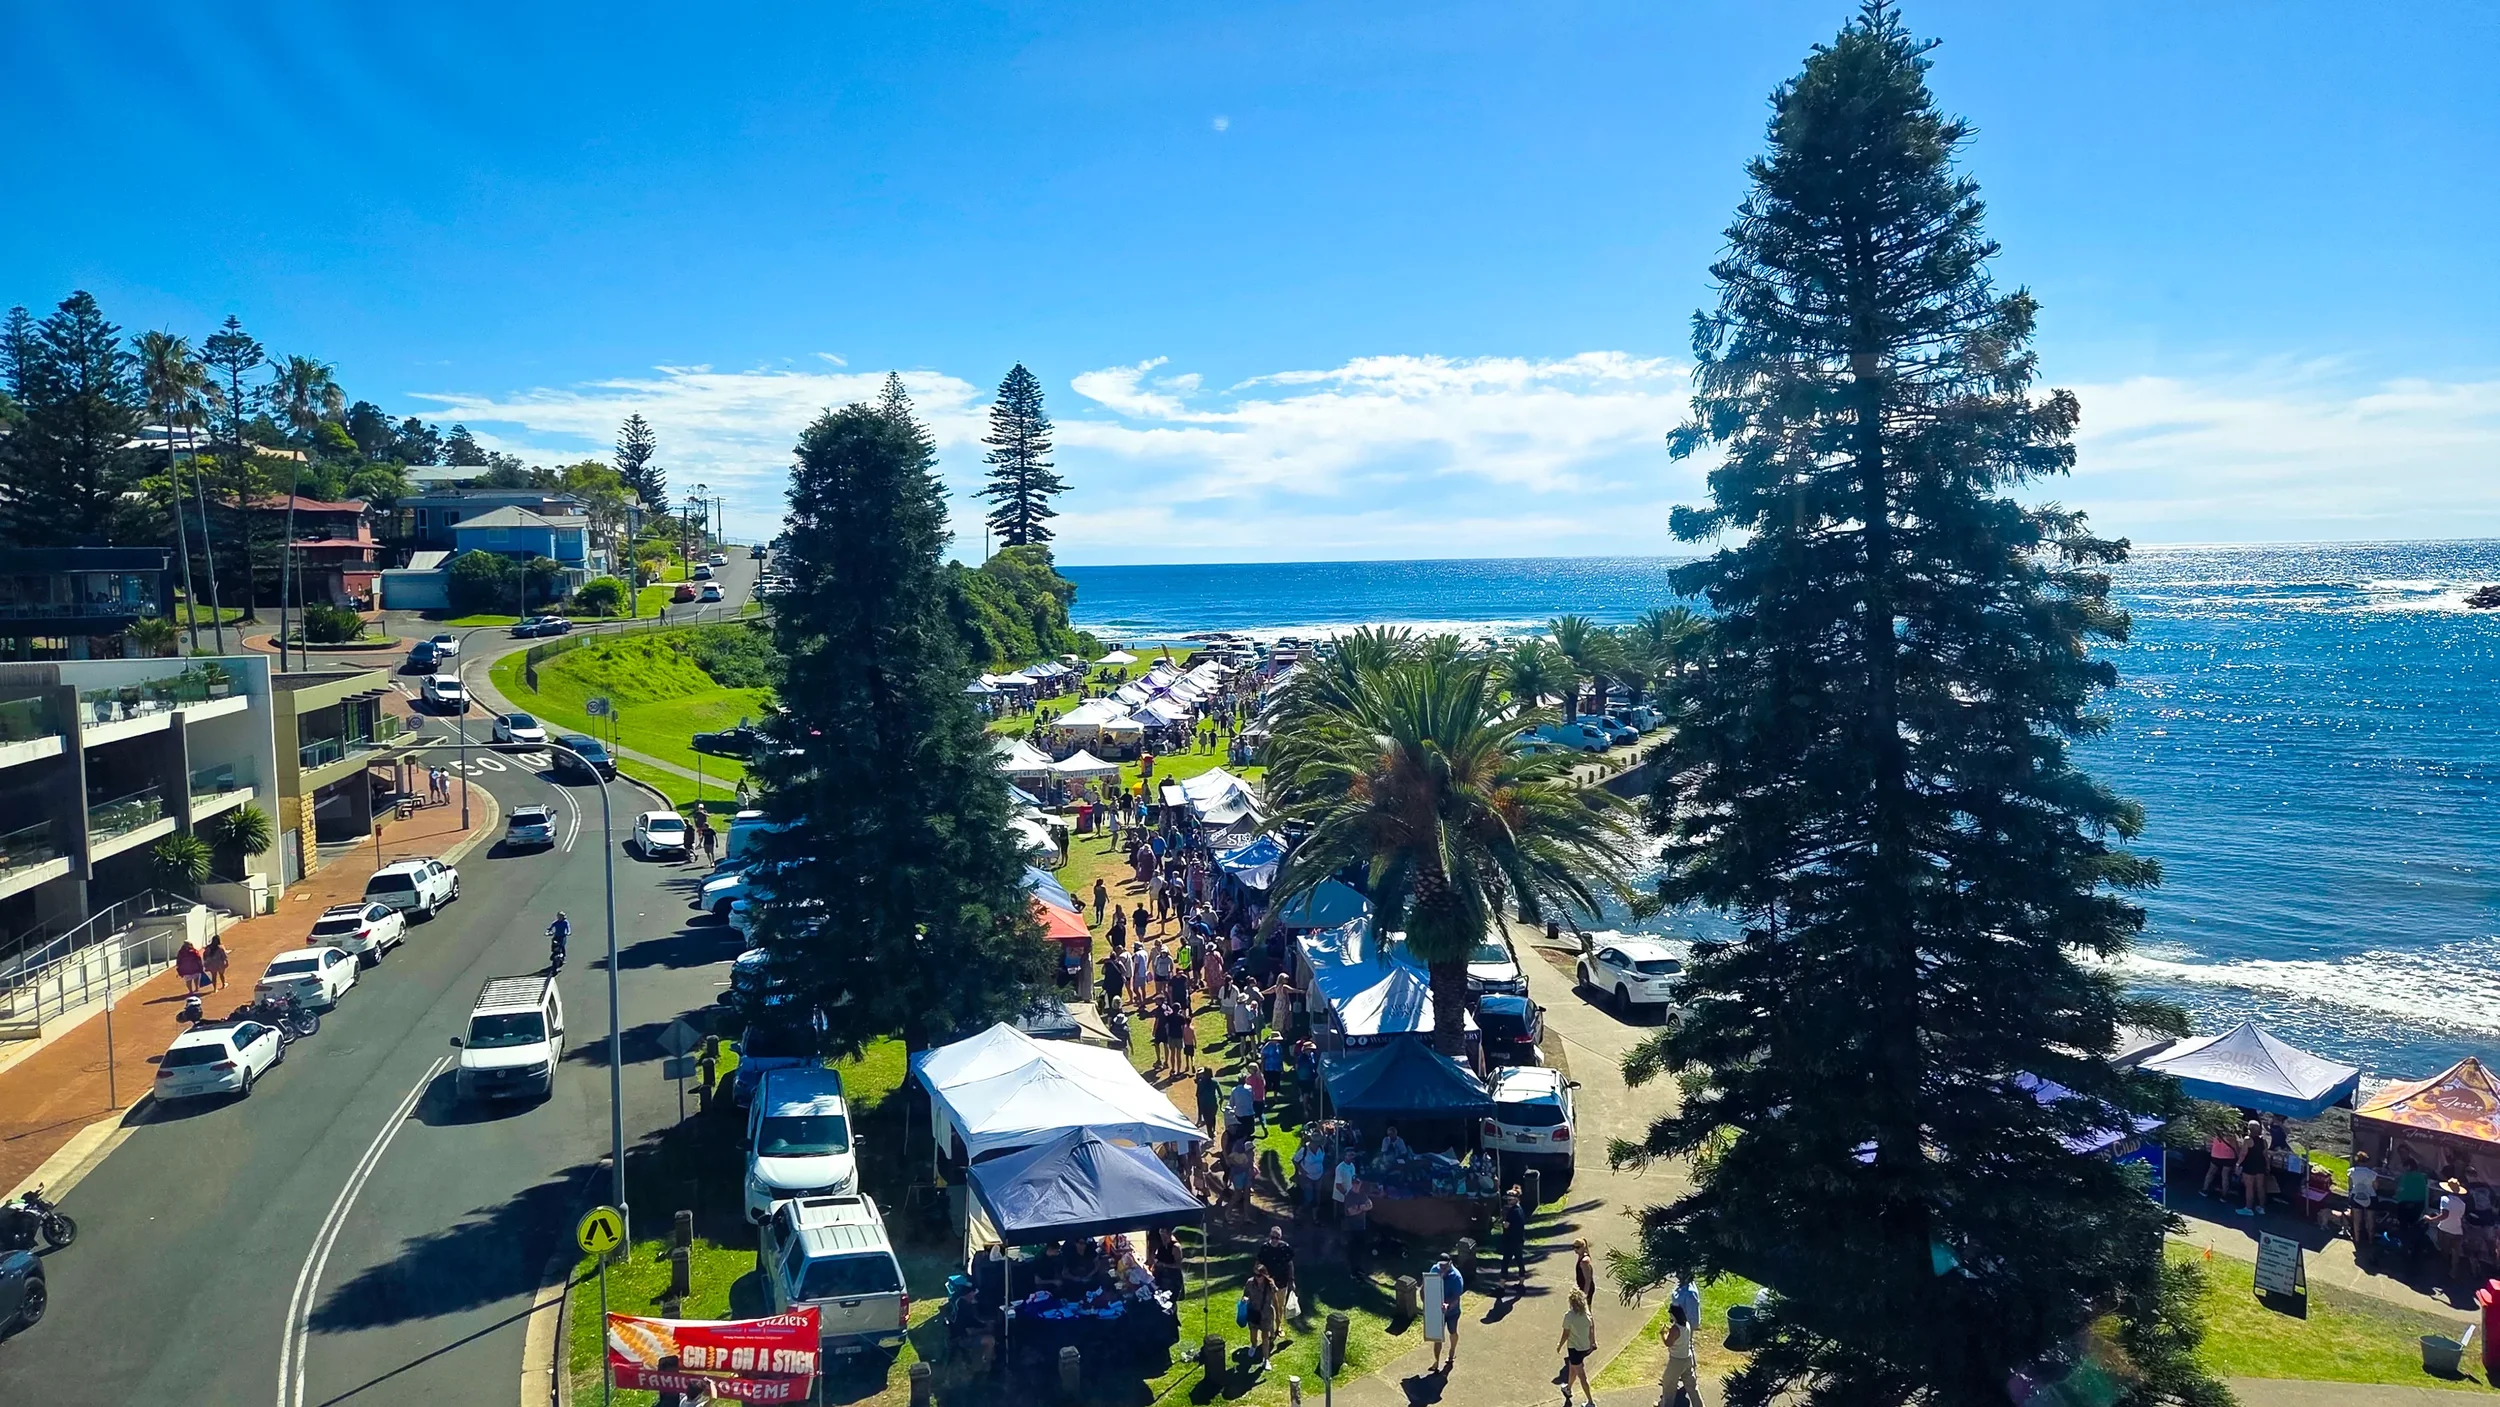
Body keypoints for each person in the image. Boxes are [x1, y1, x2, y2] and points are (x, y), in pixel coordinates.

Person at [1557, 1290, 1598, 1406]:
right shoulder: (1587, 1314)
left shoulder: (1569, 1316)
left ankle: (1590, 1402)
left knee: (1582, 1376)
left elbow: (1566, 1334)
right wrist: (1592, 1342)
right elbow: (1591, 1329)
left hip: (1574, 1348)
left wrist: (1559, 1345)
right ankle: (1568, 1388)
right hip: (1585, 1347)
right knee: (1572, 1368)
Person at [1660, 1301, 1700, 1407]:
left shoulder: (1675, 1329)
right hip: (1687, 1358)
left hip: (1677, 1361)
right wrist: (1670, 1330)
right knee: (1691, 1385)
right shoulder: (1686, 1324)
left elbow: (1668, 1343)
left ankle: (1666, 1405)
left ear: (1674, 1315)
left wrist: (1663, 1334)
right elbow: (1679, 1336)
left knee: (1668, 1384)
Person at [1432, 1253, 1466, 1373]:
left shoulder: (1456, 1277)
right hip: (1438, 1310)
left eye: (1445, 1266)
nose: (1442, 1268)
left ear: (1450, 1263)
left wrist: (1448, 1304)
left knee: (1452, 1332)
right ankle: (1436, 1361)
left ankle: (1452, 1352)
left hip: (1452, 1312)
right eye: (1440, 1265)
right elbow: (1429, 1284)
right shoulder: (1434, 1269)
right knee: (1437, 1337)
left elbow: (1456, 1296)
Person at [2431, 1178, 2470, 1279]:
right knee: (2455, 1253)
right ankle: (2453, 1271)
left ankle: (2442, 1271)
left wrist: (2431, 1219)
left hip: (2445, 1228)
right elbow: (2460, 1217)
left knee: (2444, 1251)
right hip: (2457, 1230)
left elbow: (2445, 1215)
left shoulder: (2445, 1199)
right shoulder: (2462, 1204)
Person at [1244, 1265, 1282, 1368]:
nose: (1257, 1277)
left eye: (1259, 1275)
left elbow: (1275, 1300)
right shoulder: (1250, 1282)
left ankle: (1266, 1359)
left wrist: (1278, 1316)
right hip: (1253, 1313)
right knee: (1253, 1335)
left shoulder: (1270, 1285)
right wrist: (1245, 1299)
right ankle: (1254, 1345)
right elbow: (1245, 1294)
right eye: (1255, 1275)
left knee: (1265, 1337)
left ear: (1264, 1275)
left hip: (1266, 1315)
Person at [1499, 1187, 1530, 1294]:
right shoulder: (1520, 1209)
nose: (1508, 1202)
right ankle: (1521, 1284)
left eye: (1510, 1200)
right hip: (1519, 1240)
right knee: (1520, 1261)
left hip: (1511, 1241)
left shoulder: (1512, 1212)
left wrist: (1502, 1222)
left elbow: (1506, 1225)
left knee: (1505, 1262)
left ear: (1516, 1199)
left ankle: (1501, 1287)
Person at [2346, 1150, 2379, 1252]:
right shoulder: (2372, 1173)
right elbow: (2376, 1186)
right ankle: (2370, 1240)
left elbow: (2350, 1184)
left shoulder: (2352, 1171)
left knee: (2357, 1220)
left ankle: (2357, 1239)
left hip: (2356, 1195)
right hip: (2370, 1196)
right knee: (2370, 1219)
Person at [2237, 1121, 2270, 1217]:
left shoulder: (2247, 1140)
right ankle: (2261, 1207)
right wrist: (2267, 1166)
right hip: (2260, 1165)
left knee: (2249, 1188)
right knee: (2260, 1187)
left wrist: (2238, 1164)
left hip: (2249, 1165)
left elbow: (2243, 1154)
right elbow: (2266, 1155)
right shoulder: (2263, 1141)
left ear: (2249, 1129)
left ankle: (2248, 1208)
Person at [1256, 1224, 1298, 1299]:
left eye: (1277, 1238)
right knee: (1267, 1303)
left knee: (1280, 1303)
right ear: (1270, 1236)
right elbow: (1258, 1264)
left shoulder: (1285, 1248)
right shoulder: (1264, 1248)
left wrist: (1291, 1280)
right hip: (1267, 1282)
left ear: (1280, 1237)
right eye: (1273, 1237)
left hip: (1282, 1281)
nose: (1274, 1240)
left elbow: (1290, 1264)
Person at [1341, 1178, 1374, 1269]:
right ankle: (1351, 1267)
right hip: (1351, 1227)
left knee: (1360, 1246)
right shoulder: (1349, 1196)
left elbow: (1370, 1205)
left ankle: (1360, 1266)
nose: (1356, 1185)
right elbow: (1350, 1212)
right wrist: (1362, 1208)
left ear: (1360, 1183)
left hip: (1361, 1226)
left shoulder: (1362, 1194)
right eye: (1354, 1183)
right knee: (1352, 1248)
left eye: (1358, 1183)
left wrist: (1358, 1208)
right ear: (1352, 1184)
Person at [1574, 1239, 1599, 1323]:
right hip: (1582, 1287)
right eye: (1574, 1247)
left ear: (1583, 1247)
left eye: (1577, 1247)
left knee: (1587, 1312)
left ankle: (1590, 1328)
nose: (1575, 1249)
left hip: (1586, 1288)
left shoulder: (1584, 1261)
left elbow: (1588, 1279)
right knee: (1585, 1311)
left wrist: (1584, 1294)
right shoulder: (1581, 1256)